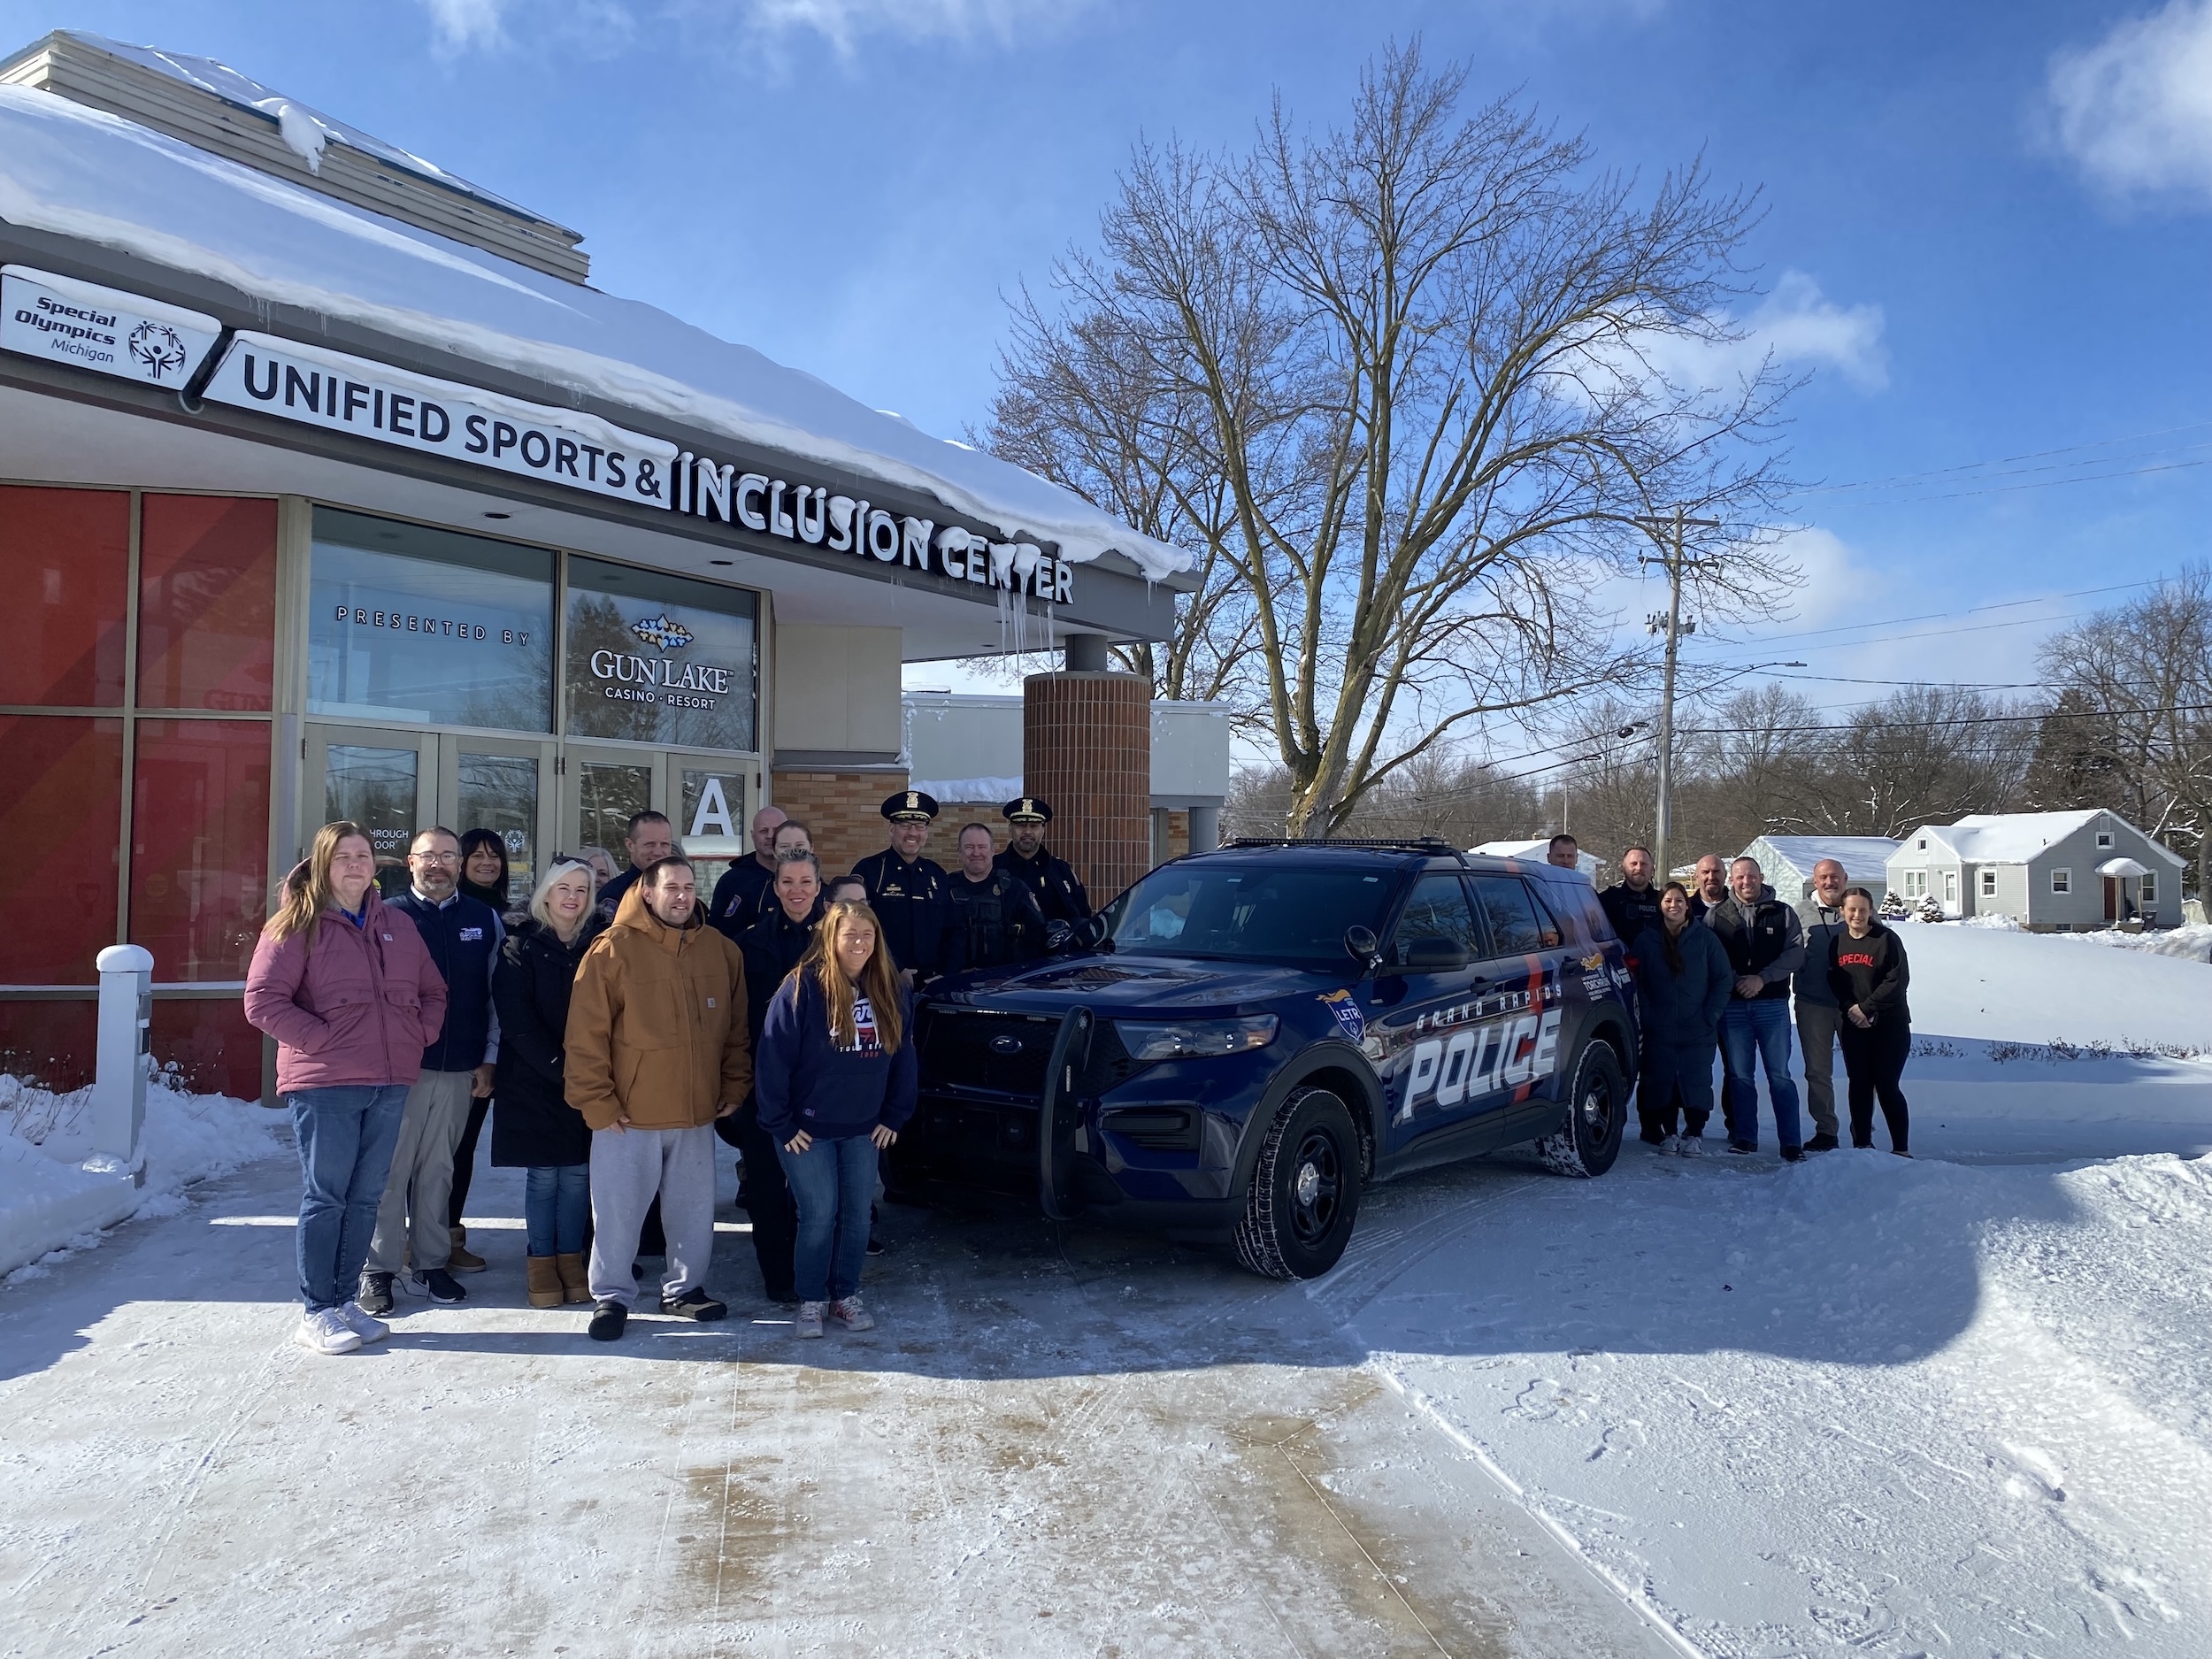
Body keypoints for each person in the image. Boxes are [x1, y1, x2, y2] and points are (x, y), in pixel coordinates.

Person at [245, 822, 447, 1356]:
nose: (356, 865)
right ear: (322, 864)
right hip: (326, 1085)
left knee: (365, 1198)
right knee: (327, 1196)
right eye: (343, 857)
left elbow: (434, 990)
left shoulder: (398, 925)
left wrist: (419, 1034)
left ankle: (344, 1300)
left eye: (363, 856)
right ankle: (316, 1310)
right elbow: (262, 1001)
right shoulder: (296, 926)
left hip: (390, 1080)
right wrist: (321, 1040)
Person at [565, 855, 752, 1341]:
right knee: (618, 1211)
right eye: (671, 886)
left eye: (689, 886)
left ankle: (684, 1290)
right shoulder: (611, 951)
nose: (682, 895)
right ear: (647, 891)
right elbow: (585, 1037)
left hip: (696, 1112)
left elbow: (736, 1030)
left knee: (692, 1209)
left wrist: (733, 1085)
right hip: (627, 1116)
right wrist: (597, 1103)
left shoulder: (720, 950)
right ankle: (611, 1297)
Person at [755, 901, 918, 1338]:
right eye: (850, 935)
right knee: (819, 1212)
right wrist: (782, 1123)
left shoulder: (890, 989)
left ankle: (845, 1294)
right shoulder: (801, 989)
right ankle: (811, 1299)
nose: (860, 944)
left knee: (858, 1217)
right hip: (807, 1131)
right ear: (831, 939)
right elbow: (772, 1061)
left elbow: (904, 1056)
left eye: (868, 935)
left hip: (864, 1128)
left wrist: (896, 1114)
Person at [359, 828, 503, 1312]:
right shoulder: (388, 915)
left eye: (447, 856)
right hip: (399, 1068)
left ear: (459, 864)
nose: (438, 864)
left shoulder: (483, 919)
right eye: (428, 856)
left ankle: (431, 1262)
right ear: (410, 862)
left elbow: (493, 996)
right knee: (389, 1170)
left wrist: (489, 1057)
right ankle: (377, 1269)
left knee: (440, 1168)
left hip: (460, 1067)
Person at [491, 859, 606, 1309]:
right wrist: (562, 1067)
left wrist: (585, 1072)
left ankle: (571, 1258)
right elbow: (516, 1022)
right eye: (564, 888)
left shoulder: (597, 946)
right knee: (543, 1177)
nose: (572, 897)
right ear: (546, 894)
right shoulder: (518, 945)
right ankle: (541, 1261)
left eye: (582, 889)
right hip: (533, 1079)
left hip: (586, 1077)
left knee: (578, 1175)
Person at [720, 849, 824, 1304]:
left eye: (805, 882)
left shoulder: (840, 941)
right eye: (788, 882)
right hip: (764, 1089)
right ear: (775, 887)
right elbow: (734, 1022)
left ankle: (812, 1273)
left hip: (822, 1088)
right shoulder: (748, 942)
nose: (796, 891)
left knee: (815, 1195)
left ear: (819, 887)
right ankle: (778, 1278)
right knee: (765, 1187)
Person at [1705, 855, 1807, 1159]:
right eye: (1739, 877)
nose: (1746, 882)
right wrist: (1738, 980)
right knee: (1739, 1075)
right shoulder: (1717, 916)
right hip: (1734, 1008)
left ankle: (1791, 1143)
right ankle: (1745, 1137)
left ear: (1761, 877)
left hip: (1772, 1006)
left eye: (1751, 876)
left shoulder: (1783, 913)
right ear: (1731, 880)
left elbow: (1795, 953)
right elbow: (1712, 957)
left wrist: (1762, 979)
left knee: (1780, 1076)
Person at [444, 826, 514, 1270]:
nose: (488, 862)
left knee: (462, 1147)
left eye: (495, 855)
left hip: (487, 1048)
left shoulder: (510, 914)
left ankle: (449, 1236)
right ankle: (416, 1239)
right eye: (478, 855)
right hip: (440, 1053)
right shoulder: (444, 911)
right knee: (431, 1151)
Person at [1629, 881, 1732, 1154]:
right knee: (1663, 1082)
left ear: (1687, 905)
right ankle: (1669, 1133)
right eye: (1667, 901)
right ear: (1660, 906)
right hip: (1659, 1028)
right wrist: (1648, 1016)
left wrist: (1710, 1016)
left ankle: (1695, 1133)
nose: (1673, 905)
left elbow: (1723, 979)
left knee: (1696, 1080)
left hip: (1698, 1027)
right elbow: (1637, 982)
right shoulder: (1647, 940)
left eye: (1678, 900)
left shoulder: (1705, 939)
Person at [1827, 887, 1912, 1156]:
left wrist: (1867, 1008)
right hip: (1855, 1025)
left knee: (1886, 1085)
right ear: (1842, 912)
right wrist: (1851, 1008)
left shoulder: (1886, 939)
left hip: (1890, 1026)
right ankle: (1862, 1144)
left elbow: (1897, 981)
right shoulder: (1837, 943)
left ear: (1871, 911)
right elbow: (1836, 981)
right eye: (1851, 909)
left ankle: (1900, 1148)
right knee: (1859, 1084)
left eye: (1863, 909)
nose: (1857, 915)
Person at [850, 790, 949, 981]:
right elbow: (857, 926)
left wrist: (946, 974)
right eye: (904, 825)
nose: (912, 833)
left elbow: (954, 929)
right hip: (883, 980)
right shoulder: (870, 871)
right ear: (891, 830)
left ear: (926, 833)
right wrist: (896, 968)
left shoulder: (936, 875)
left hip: (932, 984)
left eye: (919, 826)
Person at [1793, 857, 1851, 1154]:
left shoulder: (1858, 907)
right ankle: (1826, 1130)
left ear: (1845, 878)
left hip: (1854, 1005)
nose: (1830, 882)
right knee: (1817, 1071)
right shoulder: (1798, 912)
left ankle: (1862, 1130)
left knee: (1862, 1071)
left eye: (1835, 877)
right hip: (1813, 1002)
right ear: (1815, 882)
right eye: (1823, 878)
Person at [941, 823, 1048, 973]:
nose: (976, 853)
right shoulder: (944, 888)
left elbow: (1037, 936)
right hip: (953, 981)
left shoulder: (1015, 890)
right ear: (959, 851)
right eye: (969, 847)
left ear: (993, 850)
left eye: (982, 847)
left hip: (1003, 982)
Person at [994, 797, 1091, 923]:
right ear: (1010, 829)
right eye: (1021, 825)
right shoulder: (993, 868)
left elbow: (1083, 916)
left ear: (1043, 831)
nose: (1027, 831)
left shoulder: (1061, 870)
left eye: (1034, 826)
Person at [708, 805, 787, 936]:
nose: (770, 836)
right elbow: (715, 934)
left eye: (777, 830)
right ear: (753, 836)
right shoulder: (731, 881)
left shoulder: (804, 879)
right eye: (763, 831)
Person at [595, 810, 676, 919]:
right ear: (630, 845)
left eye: (664, 844)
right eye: (650, 844)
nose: (658, 852)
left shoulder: (682, 893)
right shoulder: (614, 894)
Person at [1599, 844, 1664, 943]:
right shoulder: (1608, 899)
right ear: (1623, 868)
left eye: (1644, 864)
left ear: (1652, 869)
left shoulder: (1663, 900)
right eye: (1633, 864)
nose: (1638, 868)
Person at [1688, 854, 1730, 921]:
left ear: (1725, 875)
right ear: (1697, 877)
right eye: (1705, 872)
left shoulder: (1738, 907)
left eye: (1716, 871)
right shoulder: (1686, 908)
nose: (1711, 877)